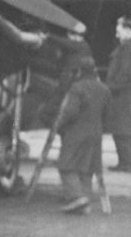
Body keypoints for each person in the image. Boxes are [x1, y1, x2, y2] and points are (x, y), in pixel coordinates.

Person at [56, 54, 110, 213]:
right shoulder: (105, 89)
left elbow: (70, 112)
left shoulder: (77, 88)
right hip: (96, 132)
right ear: (94, 70)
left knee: (66, 165)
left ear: (78, 71)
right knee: (86, 167)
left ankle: (77, 197)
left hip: (76, 131)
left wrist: (58, 126)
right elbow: (107, 113)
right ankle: (85, 203)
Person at [105, 15, 131, 172]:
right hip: (123, 94)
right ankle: (125, 162)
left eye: (118, 31)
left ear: (128, 30)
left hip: (123, 95)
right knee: (122, 129)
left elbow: (124, 73)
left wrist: (110, 87)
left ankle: (126, 163)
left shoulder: (127, 48)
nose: (116, 35)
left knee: (121, 129)